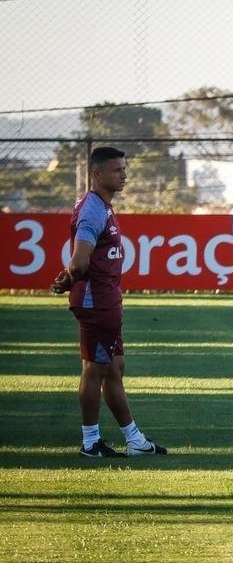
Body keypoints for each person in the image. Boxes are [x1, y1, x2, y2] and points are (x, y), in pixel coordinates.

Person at [51, 146, 167, 457]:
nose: (124, 175)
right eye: (117, 170)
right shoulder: (92, 208)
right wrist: (69, 278)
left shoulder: (101, 206)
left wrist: (69, 279)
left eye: (124, 169)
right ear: (97, 173)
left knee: (114, 367)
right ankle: (91, 443)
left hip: (106, 300)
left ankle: (135, 441)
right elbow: (79, 261)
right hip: (96, 301)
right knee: (94, 369)